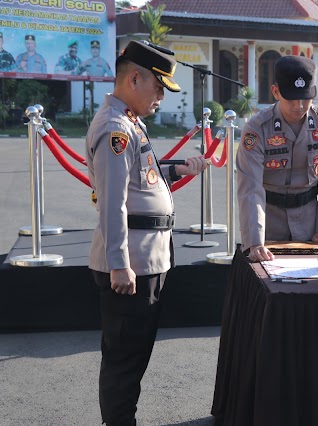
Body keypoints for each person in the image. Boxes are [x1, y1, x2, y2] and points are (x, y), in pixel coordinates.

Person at [85, 40, 210, 426]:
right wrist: (119, 265)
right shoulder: (115, 129)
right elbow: (112, 202)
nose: (161, 96)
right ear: (134, 78)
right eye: (158, 86)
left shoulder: (129, 122)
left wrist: (179, 170)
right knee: (124, 358)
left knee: (133, 355)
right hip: (132, 267)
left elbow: (144, 179)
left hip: (146, 260)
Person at [236, 55, 318, 261]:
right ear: (276, 92)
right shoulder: (257, 129)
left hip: (311, 222)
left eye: (305, 97)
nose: (299, 105)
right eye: (292, 98)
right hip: (268, 223)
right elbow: (251, 188)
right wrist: (255, 241)